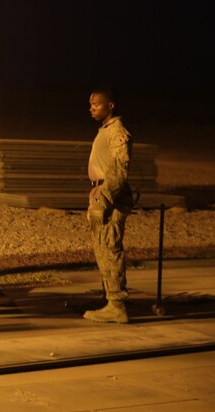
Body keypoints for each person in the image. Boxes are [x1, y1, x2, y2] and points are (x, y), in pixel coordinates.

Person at [85, 87, 134, 323]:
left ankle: (117, 305)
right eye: (90, 104)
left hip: (110, 198)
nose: (92, 108)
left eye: (97, 104)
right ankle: (111, 301)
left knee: (110, 249)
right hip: (101, 193)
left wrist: (103, 200)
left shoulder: (118, 132)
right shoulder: (106, 130)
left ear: (111, 105)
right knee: (102, 250)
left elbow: (119, 171)